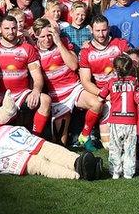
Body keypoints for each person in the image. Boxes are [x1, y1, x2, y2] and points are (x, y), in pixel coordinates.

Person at [33, 18, 102, 150]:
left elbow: (73, 65)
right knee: (60, 143)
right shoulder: (34, 52)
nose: (47, 39)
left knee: (97, 103)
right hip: (57, 96)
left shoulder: (62, 42)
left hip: (74, 88)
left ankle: (85, 135)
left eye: (49, 35)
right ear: (36, 35)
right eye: (43, 36)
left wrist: (59, 43)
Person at [0, 16, 51, 136]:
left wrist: (36, 91)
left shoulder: (27, 48)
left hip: (22, 94)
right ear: (0, 29)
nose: (11, 31)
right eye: (6, 28)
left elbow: (37, 76)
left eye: (13, 28)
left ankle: (35, 136)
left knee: (45, 100)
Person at [78, 15, 131, 148]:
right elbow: (85, 81)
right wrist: (104, 94)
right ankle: (86, 135)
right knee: (108, 146)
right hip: (102, 92)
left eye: (104, 30)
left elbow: (130, 70)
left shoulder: (120, 44)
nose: (101, 34)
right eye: (97, 31)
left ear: (108, 29)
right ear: (91, 30)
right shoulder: (86, 52)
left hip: (121, 90)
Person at [98, 55, 139, 179]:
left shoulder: (111, 82)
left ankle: (115, 172)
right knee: (130, 148)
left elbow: (100, 97)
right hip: (131, 120)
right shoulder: (135, 82)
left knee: (115, 147)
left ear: (115, 69)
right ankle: (128, 173)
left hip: (116, 120)